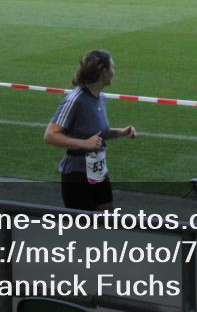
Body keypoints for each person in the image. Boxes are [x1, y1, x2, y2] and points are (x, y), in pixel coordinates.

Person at [44, 49, 135, 211]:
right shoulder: (75, 100)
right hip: (77, 173)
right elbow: (50, 135)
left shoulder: (100, 97)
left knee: (107, 216)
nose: (114, 72)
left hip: (98, 170)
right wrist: (85, 144)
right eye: (112, 67)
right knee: (84, 226)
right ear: (103, 71)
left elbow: (98, 134)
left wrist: (121, 132)